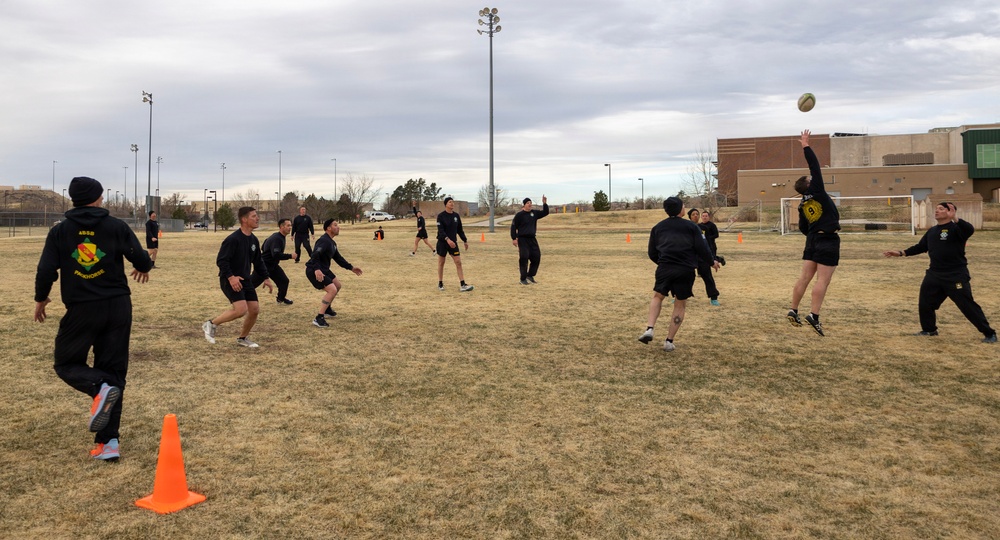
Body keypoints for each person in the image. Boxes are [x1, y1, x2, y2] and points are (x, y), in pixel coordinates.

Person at [33, 176, 152, 462]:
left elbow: (46, 269)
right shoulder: (116, 226)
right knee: (113, 373)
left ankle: (104, 416)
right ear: (99, 198)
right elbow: (143, 260)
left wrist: (41, 298)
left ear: (73, 199)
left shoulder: (60, 231)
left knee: (66, 364)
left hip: (82, 309)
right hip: (117, 307)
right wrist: (143, 266)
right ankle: (109, 441)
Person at [883, 202, 997, 343]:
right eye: (936, 209)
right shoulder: (932, 231)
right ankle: (929, 330)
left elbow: (969, 230)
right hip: (934, 274)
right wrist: (901, 253)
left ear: (951, 211)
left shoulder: (957, 229)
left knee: (967, 305)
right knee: (925, 302)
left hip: (955, 275)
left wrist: (955, 218)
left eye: (941, 209)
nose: (937, 211)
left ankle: (989, 333)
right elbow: (921, 247)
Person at [638, 196, 719, 351]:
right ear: (681, 209)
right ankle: (669, 341)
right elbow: (702, 248)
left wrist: (663, 262)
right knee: (680, 303)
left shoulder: (658, 227)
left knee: (658, 296)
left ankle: (650, 328)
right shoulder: (692, 227)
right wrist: (711, 261)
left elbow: (651, 252)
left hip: (665, 268)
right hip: (685, 269)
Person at [787, 129, 840, 336]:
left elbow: (802, 227)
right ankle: (814, 315)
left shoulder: (802, 203)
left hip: (812, 240)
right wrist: (806, 145)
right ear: (809, 183)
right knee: (823, 280)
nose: (813, 177)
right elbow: (814, 166)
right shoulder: (817, 190)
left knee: (805, 278)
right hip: (827, 238)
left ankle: (793, 309)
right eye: (811, 178)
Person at [203, 207, 274, 348]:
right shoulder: (233, 239)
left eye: (257, 215)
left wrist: (266, 277)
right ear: (244, 219)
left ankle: (242, 338)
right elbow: (221, 261)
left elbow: (258, 261)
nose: (257, 218)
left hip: (245, 279)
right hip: (229, 279)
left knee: (254, 310)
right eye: (254, 216)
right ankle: (210, 324)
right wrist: (231, 277)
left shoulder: (253, 240)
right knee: (241, 310)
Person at [306, 219, 363, 328]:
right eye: (335, 225)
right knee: (332, 289)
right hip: (314, 269)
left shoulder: (331, 242)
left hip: (324, 269)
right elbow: (315, 255)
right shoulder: (324, 241)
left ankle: (327, 309)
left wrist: (351, 267)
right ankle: (319, 318)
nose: (338, 227)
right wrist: (317, 269)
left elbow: (338, 258)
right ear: (328, 228)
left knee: (337, 285)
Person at [252, 218, 295, 305]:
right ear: (281, 227)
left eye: (291, 225)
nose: (290, 227)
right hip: (264, 266)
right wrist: (290, 256)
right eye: (288, 225)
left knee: (284, 281)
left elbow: (263, 247)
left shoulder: (280, 237)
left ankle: (280, 299)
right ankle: (238, 298)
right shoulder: (277, 238)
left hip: (273, 265)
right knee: (251, 284)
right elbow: (276, 254)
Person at [436, 197, 474, 292]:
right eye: (450, 202)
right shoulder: (441, 216)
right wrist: (447, 240)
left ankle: (462, 284)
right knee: (441, 262)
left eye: (452, 202)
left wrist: (465, 240)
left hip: (453, 243)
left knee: (458, 262)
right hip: (443, 242)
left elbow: (460, 230)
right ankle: (440, 283)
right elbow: (441, 231)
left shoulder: (456, 216)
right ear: (446, 204)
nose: (452, 203)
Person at [510, 195, 549, 285]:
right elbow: (513, 227)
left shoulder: (534, 213)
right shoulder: (519, 215)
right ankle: (523, 279)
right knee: (524, 258)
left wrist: (544, 203)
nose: (530, 204)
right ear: (524, 205)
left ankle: (530, 275)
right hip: (522, 239)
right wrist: (514, 238)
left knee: (536, 257)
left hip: (532, 239)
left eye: (531, 203)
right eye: (528, 203)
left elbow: (545, 212)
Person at [687, 208, 721, 306]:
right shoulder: (685, 227)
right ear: (689, 216)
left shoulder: (703, 228)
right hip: (689, 257)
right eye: (693, 214)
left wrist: (713, 257)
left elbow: (708, 244)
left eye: (697, 214)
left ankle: (713, 297)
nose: (696, 216)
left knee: (708, 277)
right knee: (685, 277)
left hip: (702, 257)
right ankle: (678, 296)